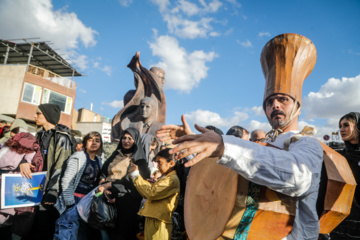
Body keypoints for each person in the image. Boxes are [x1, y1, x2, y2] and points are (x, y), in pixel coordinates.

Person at [157, 33, 323, 239]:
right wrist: (196, 143)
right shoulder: (264, 145)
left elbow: (298, 177)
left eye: (283, 99)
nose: (275, 106)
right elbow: (226, 176)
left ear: (298, 108)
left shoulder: (307, 144)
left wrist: (224, 146)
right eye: (269, 102)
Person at [30, 103, 73, 240]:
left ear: (47, 116)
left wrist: (52, 192)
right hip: (34, 188)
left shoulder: (62, 137)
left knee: (44, 230)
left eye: (38, 113)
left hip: (49, 194)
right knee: (31, 229)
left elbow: (60, 166)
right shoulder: (40, 134)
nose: (34, 116)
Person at [97, 127, 150, 240]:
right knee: (102, 230)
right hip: (107, 197)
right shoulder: (116, 154)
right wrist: (103, 183)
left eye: (130, 138)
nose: (126, 141)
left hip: (126, 201)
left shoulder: (139, 161)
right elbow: (104, 171)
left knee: (121, 233)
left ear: (136, 140)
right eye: (124, 138)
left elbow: (136, 184)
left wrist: (111, 185)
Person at [53, 131, 103, 240]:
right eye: (90, 140)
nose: (94, 143)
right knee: (66, 232)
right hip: (74, 200)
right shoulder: (78, 157)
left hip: (87, 202)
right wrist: (69, 202)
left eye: (97, 141)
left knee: (82, 233)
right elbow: (67, 180)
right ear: (85, 142)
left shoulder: (98, 160)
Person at [129, 148, 180, 240]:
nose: (157, 167)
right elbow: (150, 192)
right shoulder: (166, 177)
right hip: (154, 219)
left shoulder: (172, 179)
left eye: (160, 163)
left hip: (159, 222)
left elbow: (152, 193)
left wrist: (136, 175)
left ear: (171, 163)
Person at [0, 131, 43, 239]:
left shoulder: (9, 147)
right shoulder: (32, 151)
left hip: (11, 192)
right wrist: (21, 163)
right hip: (16, 194)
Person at [330, 112, 360, 239]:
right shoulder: (339, 156)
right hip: (343, 219)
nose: (341, 129)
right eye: (340, 126)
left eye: (346, 125)